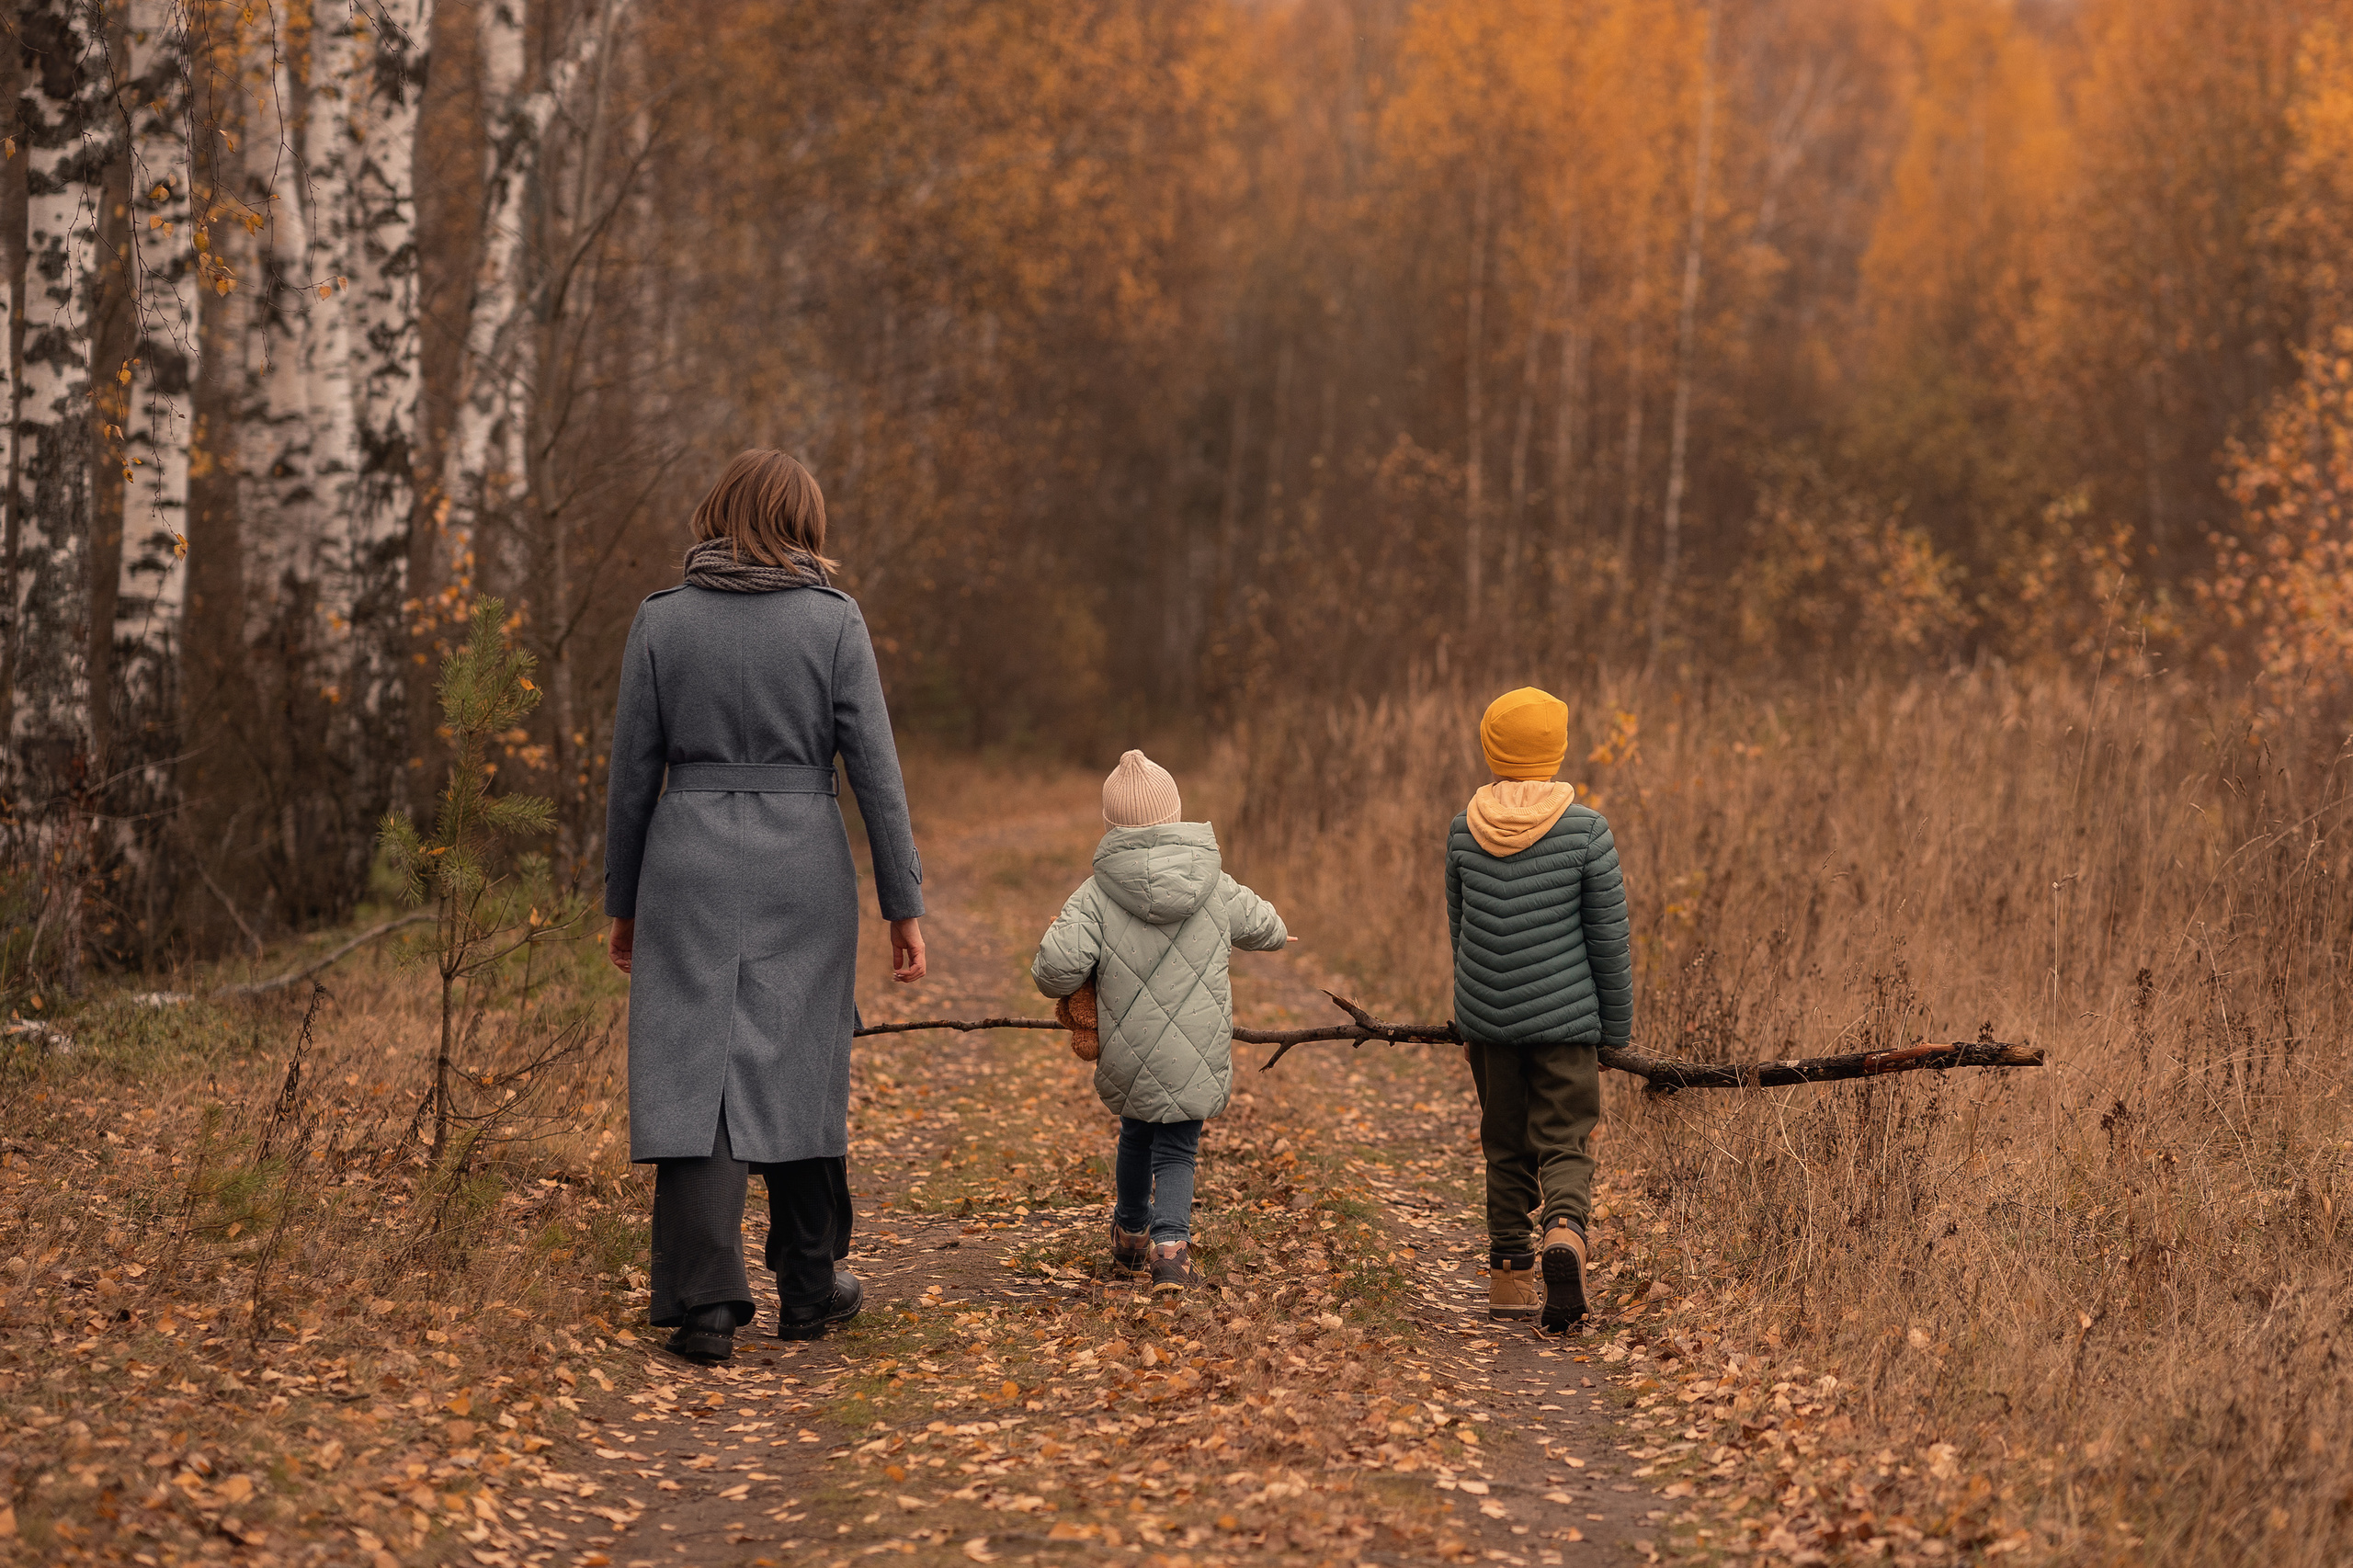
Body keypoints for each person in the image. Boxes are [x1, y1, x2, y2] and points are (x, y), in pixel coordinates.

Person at [604, 449, 926, 1363]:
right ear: (804, 525)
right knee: (801, 1058)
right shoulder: (833, 620)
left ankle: (706, 1303)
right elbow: (876, 772)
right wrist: (903, 902)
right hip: (803, 864)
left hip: (688, 863)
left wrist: (624, 898)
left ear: (718, 511)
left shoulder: (662, 620)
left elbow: (630, 775)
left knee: (696, 1070)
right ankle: (810, 1289)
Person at [1031, 751, 1291, 1292]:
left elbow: (1055, 973)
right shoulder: (1214, 884)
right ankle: (1171, 1251)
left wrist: (1060, 941)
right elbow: (1264, 925)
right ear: (1175, 814)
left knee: (1135, 1135)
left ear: (1111, 825)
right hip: (1196, 1050)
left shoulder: (1094, 895)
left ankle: (1130, 1232)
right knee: (1178, 1148)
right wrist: (1277, 934)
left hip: (1129, 1049)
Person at [1447, 687, 1631, 1331]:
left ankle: (1508, 1279)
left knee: (1503, 1142)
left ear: (1490, 748)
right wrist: (1614, 1031)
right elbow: (1608, 940)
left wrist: (1469, 1019)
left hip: (1488, 1019)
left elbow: (1460, 930)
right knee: (1565, 1138)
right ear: (1558, 748)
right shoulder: (1587, 831)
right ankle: (1565, 1233)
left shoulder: (1464, 829)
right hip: (1567, 1022)